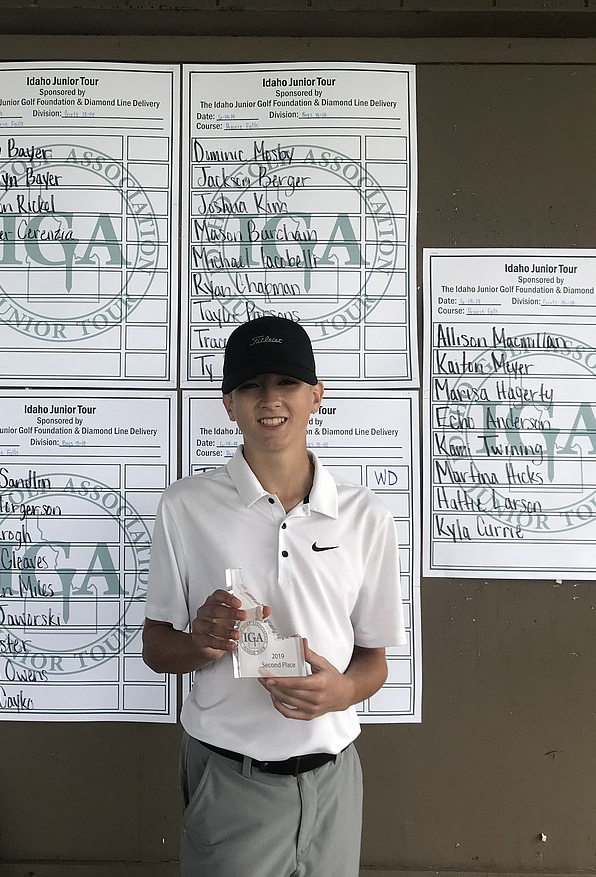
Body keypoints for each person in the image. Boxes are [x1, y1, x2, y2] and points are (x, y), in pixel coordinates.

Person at [143, 315, 406, 877]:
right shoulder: (186, 507)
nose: (270, 400)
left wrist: (342, 692)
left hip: (333, 778)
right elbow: (157, 648)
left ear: (316, 395)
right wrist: (201, 643)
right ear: (227, 402)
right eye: (250, 385)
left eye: (287, 383)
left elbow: (375, 658)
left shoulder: (365, 516)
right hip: (230, 777)